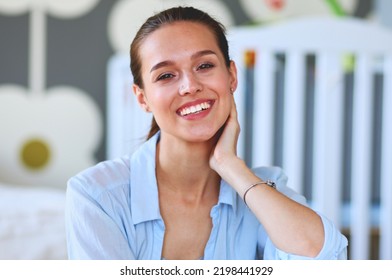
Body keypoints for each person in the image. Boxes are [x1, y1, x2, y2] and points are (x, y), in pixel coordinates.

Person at [65, 6, 348, 260]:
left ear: (232, 76)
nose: (189, 86)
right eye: (166, 75)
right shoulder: (96, 196)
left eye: (204, 66)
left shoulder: (263, 189)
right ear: (142, 98)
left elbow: (323, 257)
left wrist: (231, 166)